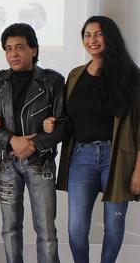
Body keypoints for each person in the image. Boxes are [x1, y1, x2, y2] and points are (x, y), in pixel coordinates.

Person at [0, 23, 70, 263]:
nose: (13, 54)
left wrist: (35, 143)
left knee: (46, 230)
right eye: (8, 49)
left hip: (40, 163)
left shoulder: (52, 81)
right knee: (10, 227)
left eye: (20, 47)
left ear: (34, 50)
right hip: (6, 164)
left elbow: (64, 123)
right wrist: (11, 140)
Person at [53, 16, 140, 263]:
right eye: (87, 34)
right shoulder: (75, 75)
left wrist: (138, 170)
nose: (92, 40)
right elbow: (67, 118)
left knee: (114, 225)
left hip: (118, 157)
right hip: (82, 157)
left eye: (98, 34)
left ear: (110, 37)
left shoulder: (131, 76)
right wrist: (53, 123)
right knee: (77, 228)